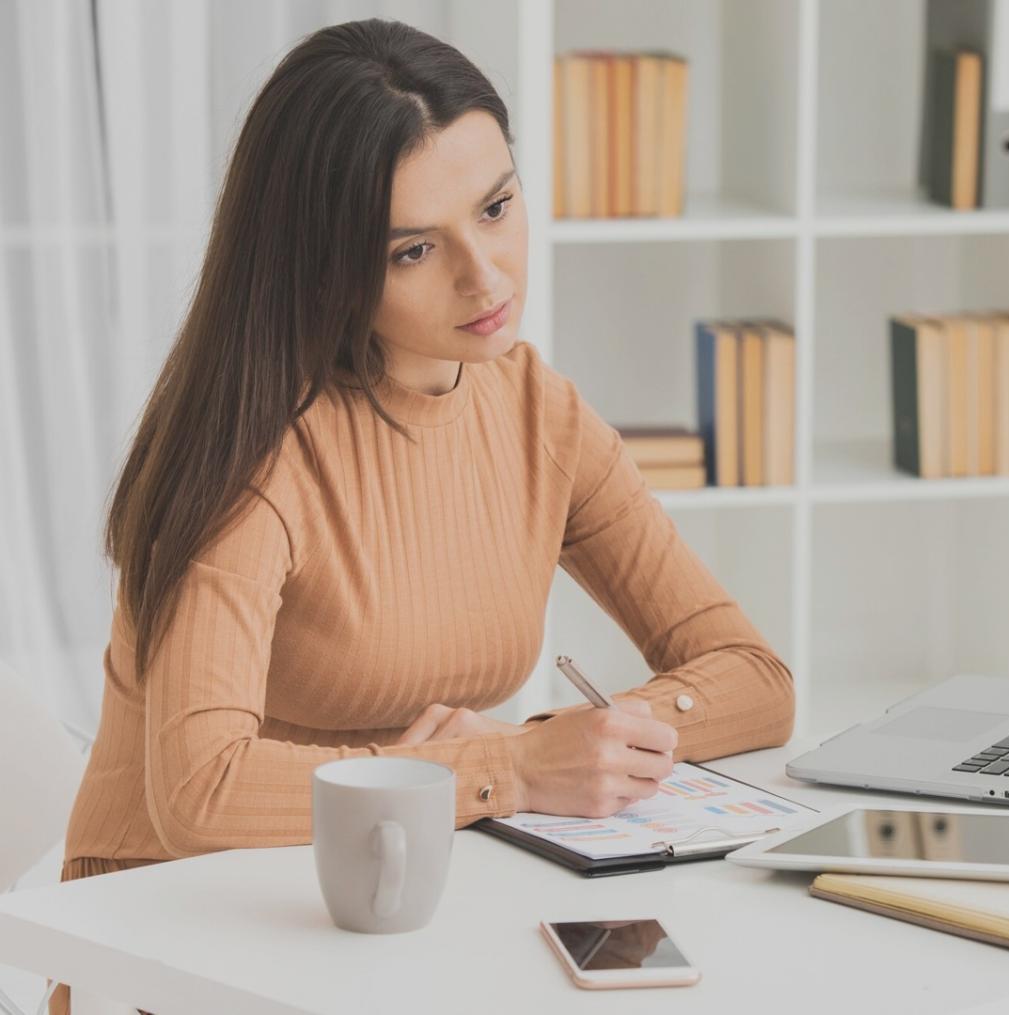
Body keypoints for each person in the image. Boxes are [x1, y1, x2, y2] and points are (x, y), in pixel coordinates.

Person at [48, 19, 794, 1015]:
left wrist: (593, 743)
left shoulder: (538, 414)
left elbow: (753, 679)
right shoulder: (256, 455)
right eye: (411, 250)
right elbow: (199, 794)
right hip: (178, 937)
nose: (484, 275)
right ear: (325, 267)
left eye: (496, 206)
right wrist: (501, 769)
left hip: (392, 908)